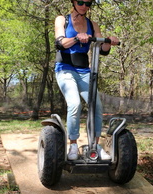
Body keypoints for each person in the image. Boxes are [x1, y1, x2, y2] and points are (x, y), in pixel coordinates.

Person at [54, 0, 119, 160]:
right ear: (74, 2)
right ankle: (73, 145)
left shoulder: (92, 24)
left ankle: (95, 145)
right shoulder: (62, 19)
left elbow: (102, 49)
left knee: (96, 106)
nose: (84, 6)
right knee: (75, 104)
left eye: (88, 3)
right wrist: (77, 38)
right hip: (65, 68)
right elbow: (60, 43)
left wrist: (109, 41)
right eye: (81, 2)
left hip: (84, 70)